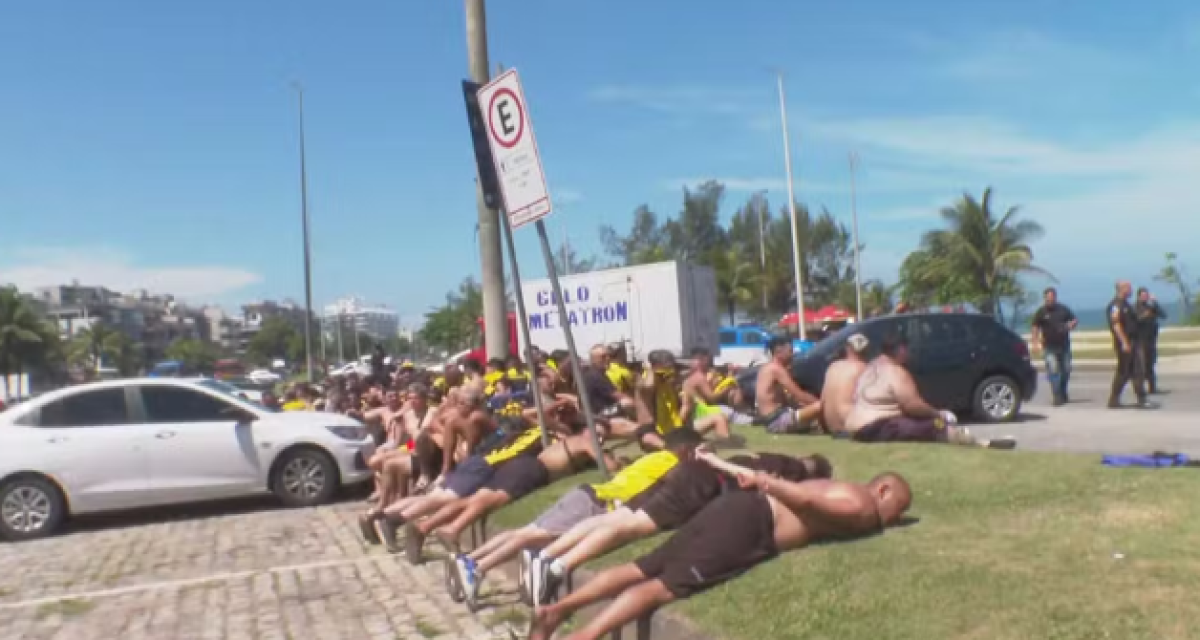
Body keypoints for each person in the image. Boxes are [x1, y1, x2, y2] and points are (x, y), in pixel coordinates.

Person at [525, 471, 914, 640]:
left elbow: (812, 497)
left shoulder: (840, 486)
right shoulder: (862, 503)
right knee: (662, 588)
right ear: (881, 489)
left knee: (643, 566)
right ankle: (586, 634)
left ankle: (558, 610)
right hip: (749, 523)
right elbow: (807, 499)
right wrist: (769, 483)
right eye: (897, 507)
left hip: (735, 508)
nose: (892, 519)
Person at [518, 448, 832, 607]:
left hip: (687, 472)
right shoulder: (790, 471)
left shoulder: (770, 455)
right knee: (630, 526)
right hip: (700, 484)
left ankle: (545, 556)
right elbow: (760, 482)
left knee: (613, 518)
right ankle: (558, 567)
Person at [447, 432, 704, 603]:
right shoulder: (672, 462)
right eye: (693, 451)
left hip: (588, 494)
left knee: (525, 532)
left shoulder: (654, 457)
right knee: (530, 535)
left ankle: (470, 560)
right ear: (685, 449)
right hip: (597, 502)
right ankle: (476, 568)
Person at [844, 333, 1015, 449]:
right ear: (900, 349)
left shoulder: (870, 367)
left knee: (916, 424)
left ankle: (966, 437)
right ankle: (980, 443)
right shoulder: (896, 371)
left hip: (855, 428)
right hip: (877, 428)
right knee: (934, 425)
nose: (909, 353)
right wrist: (939, 414)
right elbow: (913, 405)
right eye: (907, 348)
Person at [754, 336, 822, 434]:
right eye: (790, 351)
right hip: (777, 421)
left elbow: (785, 399)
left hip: (773, 420)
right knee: (819, 406)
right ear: (779, 352)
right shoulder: (776, 369)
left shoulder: (766, 368)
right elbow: (799, 394)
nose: (792, 354)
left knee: (812, 412)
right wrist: (822, 403)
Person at [1107, 281, 1152, 409]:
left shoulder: (1127, 305)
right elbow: (1116, 325)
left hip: (1134, 340)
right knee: (1124, 372)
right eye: (1129, 287)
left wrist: (1143, 317)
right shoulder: (1116, 305)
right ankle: (1114, 399)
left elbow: (1132, 321)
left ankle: (1141, 398)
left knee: (1136, 371)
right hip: (1126, 342)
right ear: (1122, 289)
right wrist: (1125, 342)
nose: (1131, 289)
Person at [1030, 287, 1078, 406]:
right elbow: (1035, 327)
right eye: (1048, 298)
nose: (1050, 300)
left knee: (1066, 370)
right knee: (1054, 369)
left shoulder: (1063, 309)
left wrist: (1071, 325)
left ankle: (1063, 391)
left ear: (1055, 297)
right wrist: (1035, 343)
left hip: (1064, 345)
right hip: (1049, 346)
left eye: (1052, 298)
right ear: (1045, 298)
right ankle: (1056, 395)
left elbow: (1074, 319)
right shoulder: (1041, 312)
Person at [679, 347, 734, 443]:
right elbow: (712, 399)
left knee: (722, 414)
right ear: (703, 360)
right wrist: (726, 388)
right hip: (691, 420)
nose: (709, 364)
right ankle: (726, 444)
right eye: (708, 361)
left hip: (690, 418)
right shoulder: (699, 376)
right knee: (721, 417)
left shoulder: (687, 375)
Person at [821, 333, 870, 433]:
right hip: (851, 428)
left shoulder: (832, 367)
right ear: (866, 350)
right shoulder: (863, 368)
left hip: (832, 428)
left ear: (847, 348)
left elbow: (822, 402)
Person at [1135, 287, 1167, 394]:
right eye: (1143, 295)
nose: (1145, 297)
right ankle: (1140, 389)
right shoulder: (1135, 307)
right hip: (1141, 339)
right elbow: (1134, 321)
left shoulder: (1150, 307)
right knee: (1142, 365)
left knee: (1150, 364)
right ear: (1139, 296)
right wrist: (1144, 316)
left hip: (1151, 339)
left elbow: (1163, 315)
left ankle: (1152, 387)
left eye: (1146, 295)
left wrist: (1155, 303)